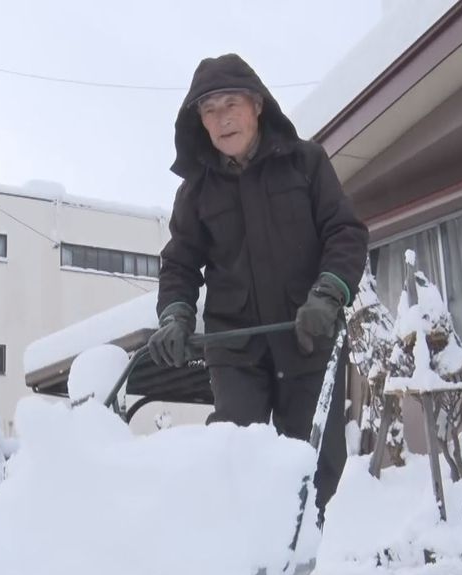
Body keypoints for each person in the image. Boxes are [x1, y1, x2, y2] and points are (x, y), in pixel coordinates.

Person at [148, 53, 369, 546]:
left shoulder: (307, 163)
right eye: (210, 110)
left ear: (257, 106)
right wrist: (176, 315)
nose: (223, 118)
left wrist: (328, 294)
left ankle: (294, 556)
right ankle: (245, 558)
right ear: (199, 122)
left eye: (232, 103)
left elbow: (345, 233)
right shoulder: (195, 192)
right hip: (237, 345)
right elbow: (180, 263)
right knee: (237, 446)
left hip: (308, 334)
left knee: (315, 457)